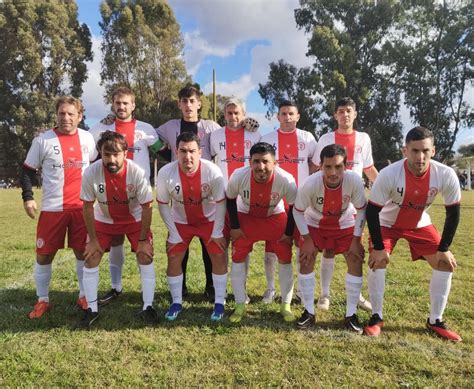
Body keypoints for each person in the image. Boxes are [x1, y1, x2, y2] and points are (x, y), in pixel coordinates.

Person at [364, 126, 462, 341]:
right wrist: (379, 248)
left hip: (419, 224)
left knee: (445, 263)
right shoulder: (390, 174)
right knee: (377, 261)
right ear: (404, 151)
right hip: (386, 223)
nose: (420, 157)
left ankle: (435, 320)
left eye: (425, 151)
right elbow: (372, 212)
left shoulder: (445, 174)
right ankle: (376, 317)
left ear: (433, 151)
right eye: (415, 151)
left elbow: (453, 214)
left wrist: (443, 249)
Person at [21, 96, 96, 318]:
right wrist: (28, 197)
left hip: (81, 209)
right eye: (62, 113)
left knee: (83, 253)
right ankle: (43, 300)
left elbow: (95, 168)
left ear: (79, 117)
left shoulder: (88, 139)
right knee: (44, 254)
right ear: (56, 115)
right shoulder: (43, 140)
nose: (66, 118)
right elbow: (27, 170)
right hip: (53, 209)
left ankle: (84, 295)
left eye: (71, 114)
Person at [89, 87, 162, 307]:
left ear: (133, 106)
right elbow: (88, 150)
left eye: (125, 103)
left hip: (138, 197)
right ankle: (116, 287)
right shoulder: (102, 127)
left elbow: (163, 150)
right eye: (118, 103)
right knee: (115, 240)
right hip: (109, 196)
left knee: (142, 247)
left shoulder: (146, 129)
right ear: (113, 104)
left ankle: (147, 297)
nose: (121, 107)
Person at [79, 131, 157, 329]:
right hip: (104, 218)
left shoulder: (137, 172)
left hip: (134, 218)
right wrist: (94, 240)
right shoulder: (90, 172)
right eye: (107, 154)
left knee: (145, 255)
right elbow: (87, 206)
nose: (111, 159)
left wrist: (142, 240)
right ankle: (92, 309)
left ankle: (148, 306)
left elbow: (147, 207)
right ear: (100, 153)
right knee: (91, 256)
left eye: (116, 154)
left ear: (125, 153)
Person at [156, 85, 221, 300]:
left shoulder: (211, 126)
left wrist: (248, 125)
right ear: (179, 104)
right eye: (184, 101)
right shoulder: (170, 126)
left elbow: (229, 135)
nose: (188, 105)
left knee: (208, 243)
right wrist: (166, 154)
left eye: (192, 100)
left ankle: (211, 286)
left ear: (199, 103)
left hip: (206, 191)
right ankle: (180, 287)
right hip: (179, 190)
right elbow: (147, 135)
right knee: (178, 241)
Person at [293, 144, 367, 332]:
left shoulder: (355, 181)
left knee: (355, 258)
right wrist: (307, 240)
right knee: (306, 258)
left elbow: (361, 210)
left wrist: (356, 240)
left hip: (344, 222)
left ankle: (351, 314)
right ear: (320, 166)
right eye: (328, 167)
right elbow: (298, 211)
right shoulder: (310, 183)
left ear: (346, 166)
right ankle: (308, 312)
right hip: (315, 222)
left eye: (338, 167)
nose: (333, 172)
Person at [312, 97, 375, 311]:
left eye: (349, 110)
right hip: (328, 202)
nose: (345, 114)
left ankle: (355, 295)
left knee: (354, 251)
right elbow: (315, 168)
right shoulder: (326, 138)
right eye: (340, 111)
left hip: (353, 204)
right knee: (328, 251)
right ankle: (324, 295)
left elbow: (368, 168)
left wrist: (386, 186)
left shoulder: (364, 138)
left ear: (355, 114)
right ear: (335, 115)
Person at [157, 132, 227, 321]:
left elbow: (221, 202)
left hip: (209, 220)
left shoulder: (212, 171)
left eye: (192, 151)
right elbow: (162, 205)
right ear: (176, 152)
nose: (187, 156)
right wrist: (173, 233)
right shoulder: (165, 172)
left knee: (219, 255)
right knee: (173, 256)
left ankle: (220, 302)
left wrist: (218, 231)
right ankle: (176, 302)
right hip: (181, 222)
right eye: (183, 151)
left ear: (200, 152)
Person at [226, 142, 298, 323]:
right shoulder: (239, 176)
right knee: (237, 257)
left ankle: (285, 305)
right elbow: (229, 200)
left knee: (285, 257)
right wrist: (235, 227)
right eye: (256, 161)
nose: (261, 167)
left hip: (274, 217)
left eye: (266, 161)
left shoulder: (286, 179)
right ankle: (240, 303)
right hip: (246, 216)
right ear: (250, 163)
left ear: (275, 163)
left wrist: (288, 234)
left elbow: (295, 207)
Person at [260, 100, 317, 304]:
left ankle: (301, 291)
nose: (287, 117)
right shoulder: (267, 138)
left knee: (303, 246)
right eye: (283, 114)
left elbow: (315, 164)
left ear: (298, 116)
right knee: (271, 247)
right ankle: (270, 289)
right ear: (278, 117)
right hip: (275, 202)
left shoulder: (307, 138)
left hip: (301, 203)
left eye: (291, 113)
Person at [210, 97, 261, 304]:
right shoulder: (214, 136)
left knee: (242, 247)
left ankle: (242, 290)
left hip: (244, 201)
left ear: (244, 115)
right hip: (221, 200)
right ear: (224, 115)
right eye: (229, 113)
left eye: (237, 113)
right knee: (221, 245)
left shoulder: (254, 134)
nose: (233, 117)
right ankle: (220, 291)